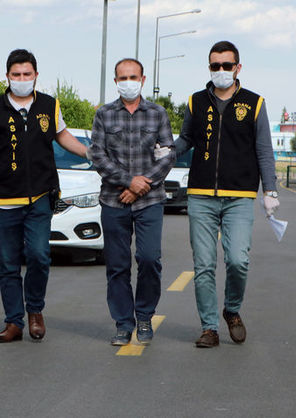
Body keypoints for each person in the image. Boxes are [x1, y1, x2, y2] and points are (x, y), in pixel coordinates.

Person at [0, 49, 87, 343]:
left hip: (39, 196)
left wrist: (88, 152)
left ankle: (35, 310)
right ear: (7, 76)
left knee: (39, 256)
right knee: (8, 263)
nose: (21, 79)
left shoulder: (49, 106)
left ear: (36, 75)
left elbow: (63, 135)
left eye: (26, 74)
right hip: (4, 199)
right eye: (16, 75)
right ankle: (13, 322)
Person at [174, 41, 280, 348]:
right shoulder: (196, 101)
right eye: (214, 65)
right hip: (201, 195)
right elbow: (186, 139)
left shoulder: (254, 103)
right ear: (209, 67)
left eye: (226, 65)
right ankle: (209, 327)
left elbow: (264, 150)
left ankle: (231, 309)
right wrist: (168, 150)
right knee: (204, 266)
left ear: (238, 68)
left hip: (239, 196)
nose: (220, 70)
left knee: (237, 260)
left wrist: (270, 190)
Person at [89, 58, 176, 346]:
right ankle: (123, 323)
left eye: (133, 77)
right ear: (116, 81)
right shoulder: (104, 114)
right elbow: (98, 156)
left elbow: (168, 155)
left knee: (149, 259)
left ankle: (145, 316)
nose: (128, 82)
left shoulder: (157, 114)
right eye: (123, 78)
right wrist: (128, 181)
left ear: (143, 79)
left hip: (149, 200)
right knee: (117, 266)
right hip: (113, 201)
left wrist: (140, 186)